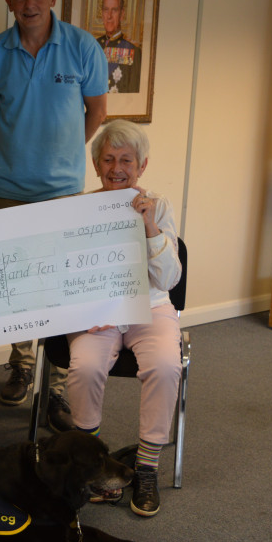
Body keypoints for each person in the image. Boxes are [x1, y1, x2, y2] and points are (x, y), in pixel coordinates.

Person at [0, 0, 108, 431]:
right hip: (10, 189)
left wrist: (64, 154)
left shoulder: (82, 47)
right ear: (8, 2)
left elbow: (96, 113)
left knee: (58, 290)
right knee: (16, 288)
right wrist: (20, 150)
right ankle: (22, 363)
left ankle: (55, 384)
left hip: (64, 191)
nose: (28, 4)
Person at [66, 119, 182, 517]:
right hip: (97, 313)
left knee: (167, 366)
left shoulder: (160, 205)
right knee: (82, 367)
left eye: (126, 160)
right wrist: (86, 310)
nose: (117, 167)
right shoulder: (79, 208)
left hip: (149, 307)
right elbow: (67, 277)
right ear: (96, 165)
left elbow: (168, 278)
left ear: (142, 165)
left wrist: (149, 226)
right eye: (108, 159)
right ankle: (93, 463)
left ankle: (146, 466)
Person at [97, 0, 142, 94]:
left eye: (114, 10)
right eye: (105, 9)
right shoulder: (92, 46)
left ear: (122, 14)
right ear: (102, 13)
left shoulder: (133, 50)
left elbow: (133, 95)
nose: (109, 16)